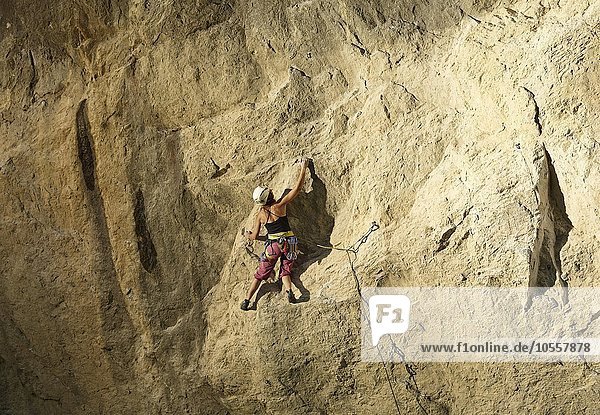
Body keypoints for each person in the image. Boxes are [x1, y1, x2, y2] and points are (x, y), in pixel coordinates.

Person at [241, 159, 309, 311]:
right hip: (290, 242)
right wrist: (303, 168)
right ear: (269, 195)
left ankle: (247, 300)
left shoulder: (261, 214)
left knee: (260, 275)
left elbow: (254, 235)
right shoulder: (279, 206)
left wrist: (247, 235)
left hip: (272, 246)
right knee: (285, 270)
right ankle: (290, 291)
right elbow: (296, 189)